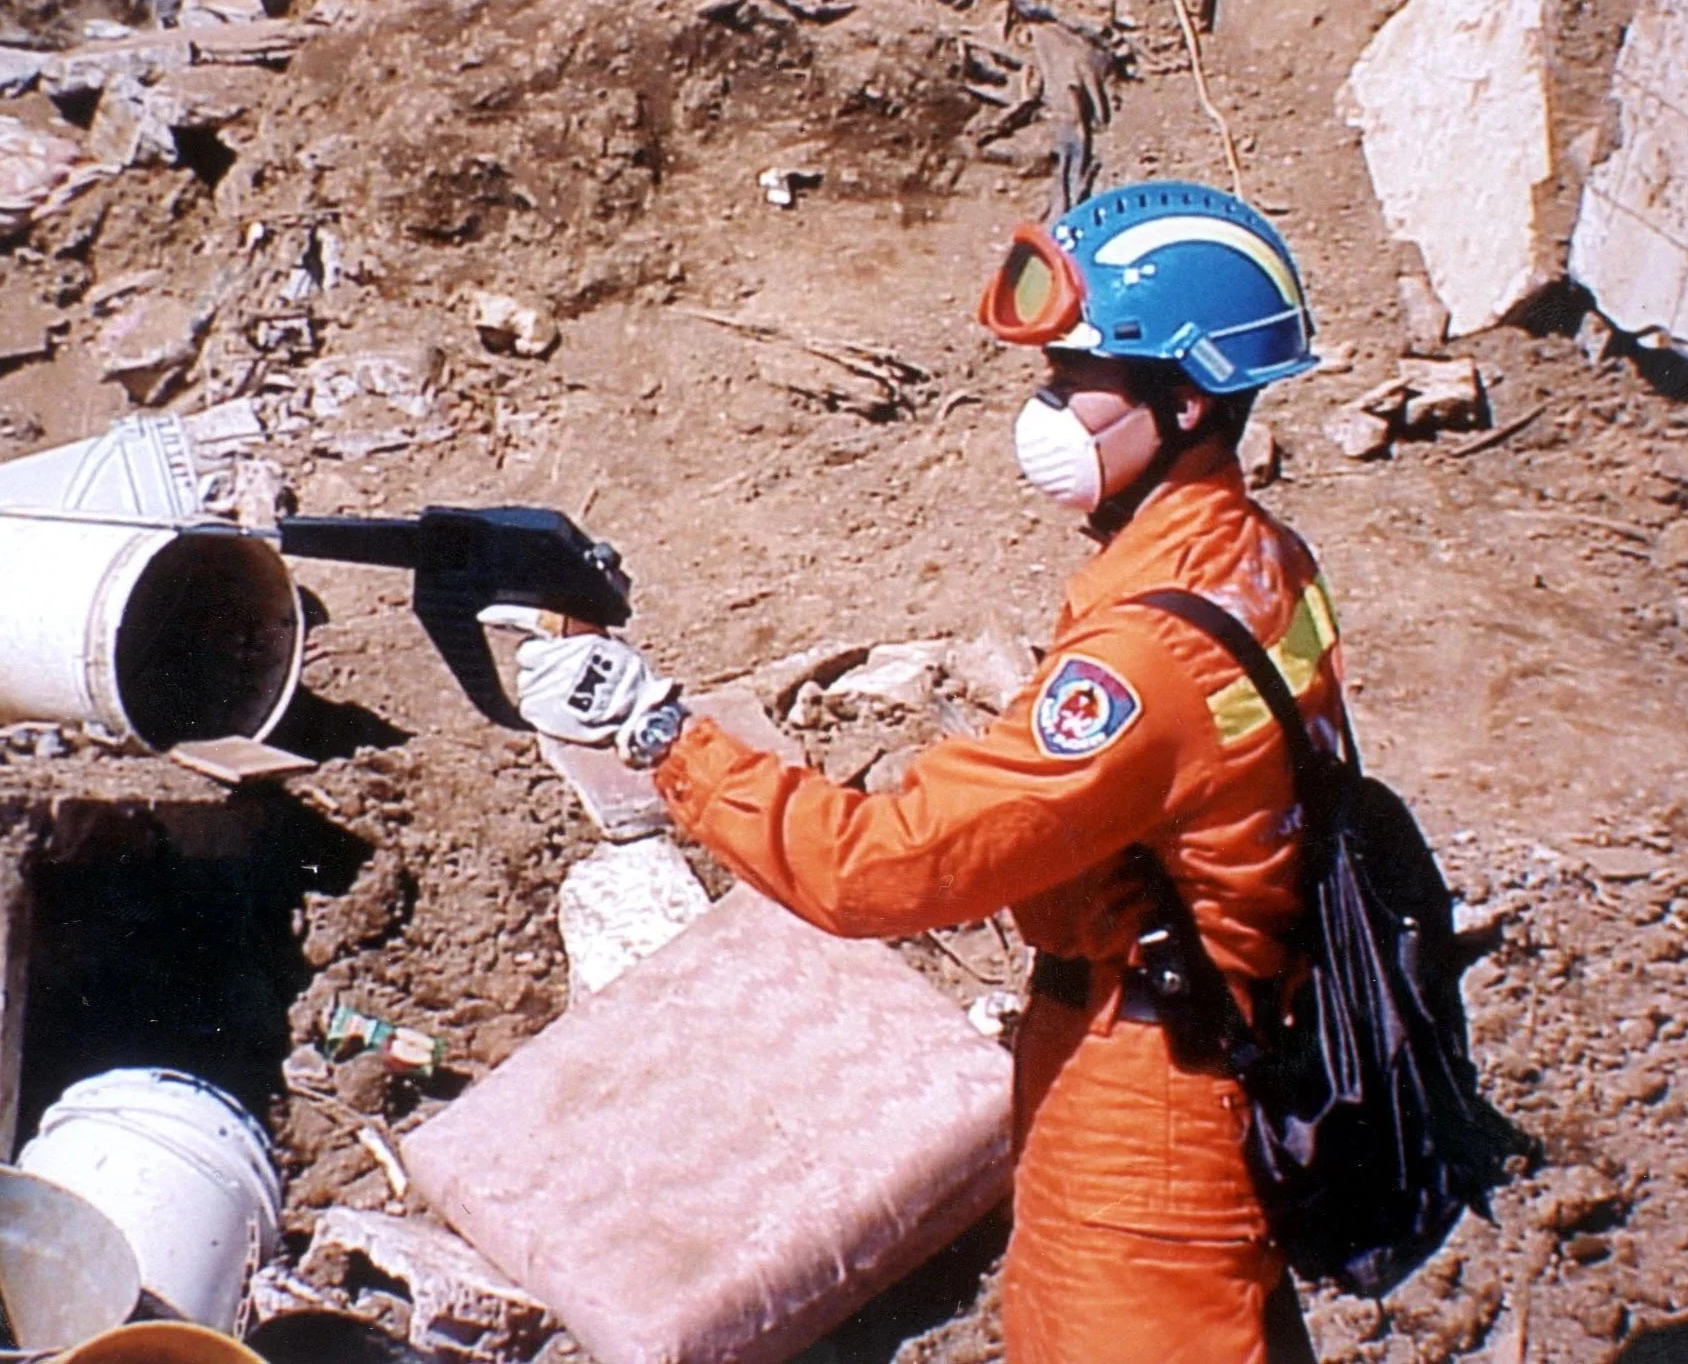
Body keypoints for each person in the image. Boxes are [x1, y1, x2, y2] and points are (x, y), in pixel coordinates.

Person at [515, 179, 1345, 1363]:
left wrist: (657, 733)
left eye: (1072, 380)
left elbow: (883, 872)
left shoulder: (1147, 655)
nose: (1043, 408)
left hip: (1152, 1103)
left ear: (1188, 396)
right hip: (1209, 1037)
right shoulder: (1259, 558)